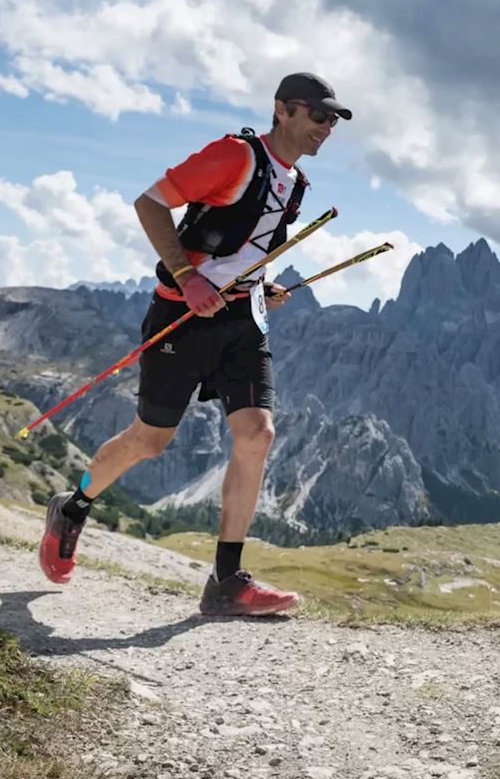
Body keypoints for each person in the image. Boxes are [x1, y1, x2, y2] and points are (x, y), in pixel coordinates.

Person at [37, 72, 352, 616]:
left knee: (258, 434)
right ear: (284, 111)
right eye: (318, 116)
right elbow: (151, 203)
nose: (326, 128)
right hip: (182, 316)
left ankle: (227, 582)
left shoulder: (294, 183)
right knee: (149, 441)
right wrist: (188, 277)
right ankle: (73, 506)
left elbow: (247, 247)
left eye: (333, 120)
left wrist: (260, 283)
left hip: (242, 319)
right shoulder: (233, 155)